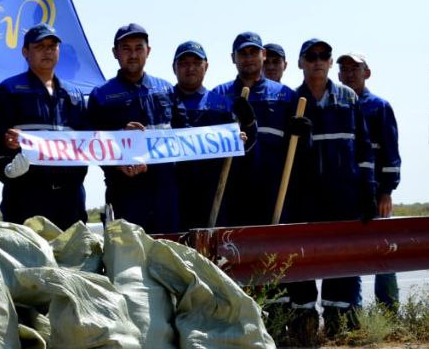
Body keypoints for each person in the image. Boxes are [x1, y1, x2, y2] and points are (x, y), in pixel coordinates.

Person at [283, 39, 378, 342]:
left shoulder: (348, 98)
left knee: (342, 262)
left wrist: (369, 191)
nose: (318, 61)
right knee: (302, 260)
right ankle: (304, 326)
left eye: (324, 56)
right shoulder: (291, 100)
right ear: (301, 63)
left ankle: (341, 327)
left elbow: (364, 148)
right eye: (311, 57)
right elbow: (283, 158)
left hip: (344, 197)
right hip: (304, 198)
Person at [0, 23, 88, 229]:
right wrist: (7, 166)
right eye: (39, 46)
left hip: (70, 200)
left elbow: (90, 142)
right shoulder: (8, 91)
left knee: (75, 259)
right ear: (25, 52)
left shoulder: (75, 94)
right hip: (26, 199)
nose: (47, 51)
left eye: (52, 46)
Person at [87, 24, 178, 233]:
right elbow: (90, 143)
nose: (133, 54)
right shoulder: (101, 95)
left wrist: (229, 137)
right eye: (126, 49)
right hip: (124, 193)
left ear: (148, 51)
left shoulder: (166, 89)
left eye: (139, 48)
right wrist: (117, 162)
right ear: (115, 53)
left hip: (166, 193)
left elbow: (186, 133)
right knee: (126, 259)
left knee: (169, 256)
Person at [210, 32, 302, 226]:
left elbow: (298, 150)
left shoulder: (286, 96)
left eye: (254, 52)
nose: (249, 58)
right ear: (233, 57)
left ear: (264, 54)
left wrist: (305, 134)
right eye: (243, 53)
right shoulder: (218, 95)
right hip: (231, 190)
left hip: (273, 190)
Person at [339, 52, 402, 309]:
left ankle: (388, 309)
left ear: (367, 72)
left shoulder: (379, 107)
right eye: (345, 69)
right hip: (345, 194)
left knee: (382, 252)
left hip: (375, 194)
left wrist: (386, 191)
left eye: (356, 68)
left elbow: (391, 152)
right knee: (347, 253)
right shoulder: (338, 106)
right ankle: (351, 309)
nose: (350, 73)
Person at [170, 40, 256, 230]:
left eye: (196, 62)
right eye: (184, 63)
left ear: (206, 66)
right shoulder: (163, 102)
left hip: (213, 197)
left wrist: (249, 127)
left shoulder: (223, 105)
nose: (190, 68)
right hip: (172, 196)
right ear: (174, 68)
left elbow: (245, 147)